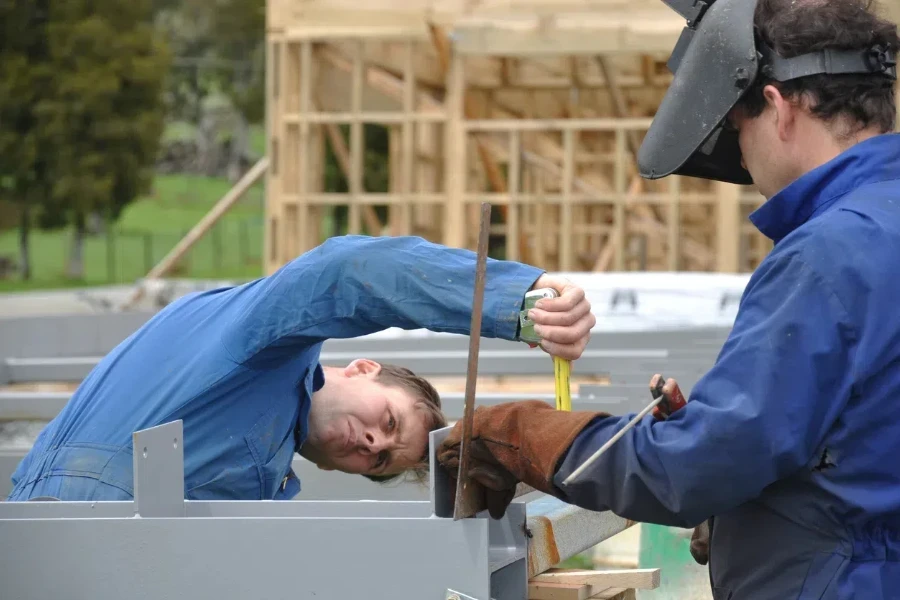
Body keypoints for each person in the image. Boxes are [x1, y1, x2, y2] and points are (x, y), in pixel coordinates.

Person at [438, 0, 900, 598]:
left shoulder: (827, 256)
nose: (742, 154)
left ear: (780, 110)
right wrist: (759, 501)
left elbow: (698, 466)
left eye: (738, 128)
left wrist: (530, 436)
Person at [6, 235, 595, 502]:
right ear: (362, 367)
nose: (369, 444)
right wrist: (522, 300)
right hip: (70, 524)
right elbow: (342, 273)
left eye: (381, 459)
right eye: (388, 422)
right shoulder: (263, 345)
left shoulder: (267, 480)